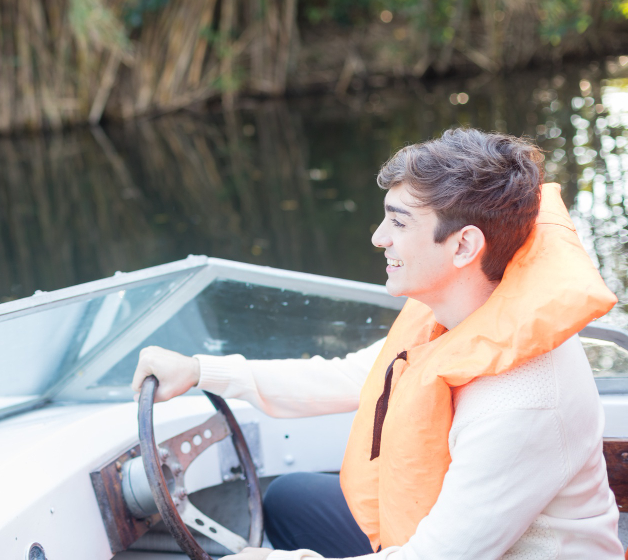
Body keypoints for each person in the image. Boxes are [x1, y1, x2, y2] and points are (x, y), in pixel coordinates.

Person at [131, 129, 623, 559]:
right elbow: (354, 375)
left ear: (464, 247)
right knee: (289, 497)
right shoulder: (459, 314)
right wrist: (200, 371)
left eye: (399, 222)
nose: (378, 238)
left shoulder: (524, 401)